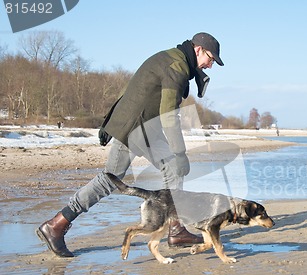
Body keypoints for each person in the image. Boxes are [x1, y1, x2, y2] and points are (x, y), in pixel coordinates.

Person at [36, 32, 224, 257]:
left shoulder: (169, 58)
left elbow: (130, 88)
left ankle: (58, 223)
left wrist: (110, 122)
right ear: (198, 50)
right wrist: (180, 151)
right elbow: (168, 114)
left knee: (111, 178)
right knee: (172, 166)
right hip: (140, 128)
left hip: (136, 125)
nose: (210, 65)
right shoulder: (178, 66)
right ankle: (175, 229)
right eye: (211, 59)